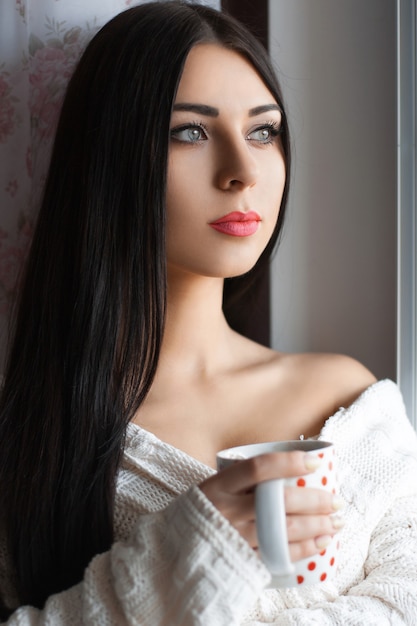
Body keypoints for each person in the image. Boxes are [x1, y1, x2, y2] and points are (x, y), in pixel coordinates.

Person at [0, 1, 416, 624]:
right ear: (111, 156)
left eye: (263, 131)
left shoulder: (349, 401)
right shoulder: (33, 434)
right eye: (189, 132)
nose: (243, 172)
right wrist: (198, 542)